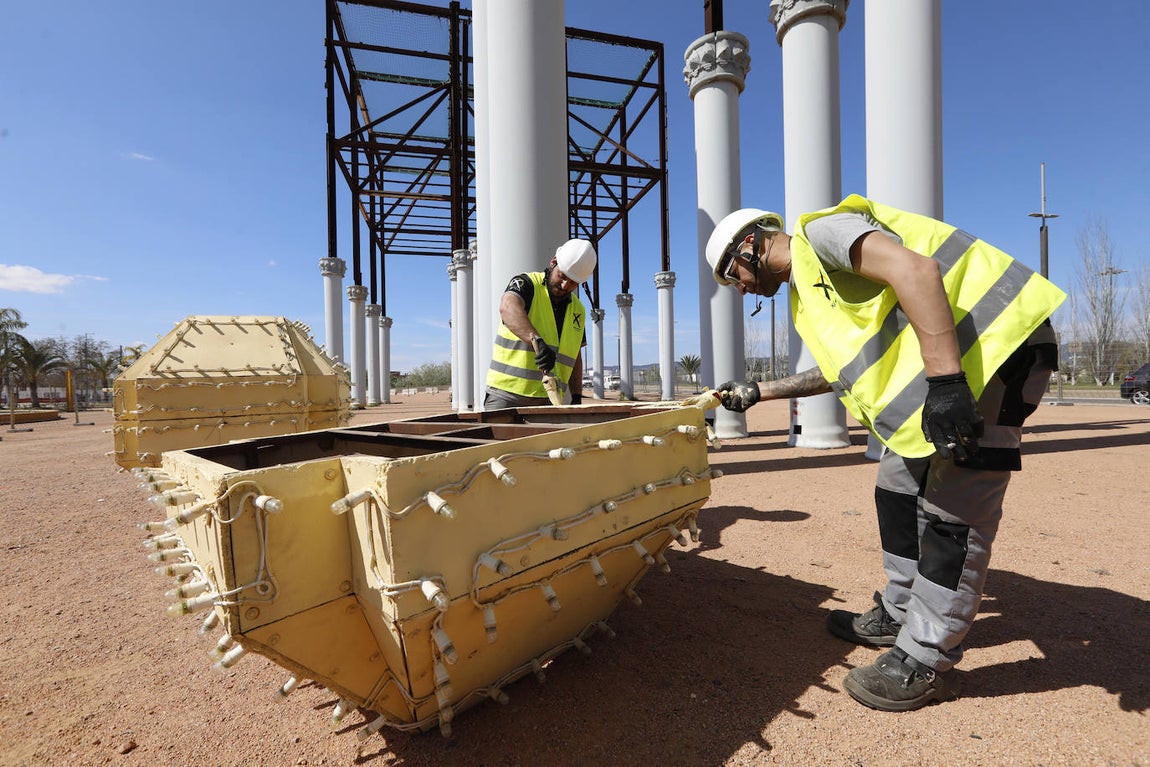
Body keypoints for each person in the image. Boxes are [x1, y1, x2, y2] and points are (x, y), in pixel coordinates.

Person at [707, 195, 1065, 712]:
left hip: (998, 352)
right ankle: (899, 612)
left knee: (954, 515)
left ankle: (925, 655)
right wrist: (761, 391)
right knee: (895, 485)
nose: (739, 289)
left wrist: (945, 383)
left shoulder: (822, 234)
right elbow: (845, 368)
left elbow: (916, 270)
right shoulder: (811, 287)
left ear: (749, 247)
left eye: (732, 277)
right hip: (961, 365)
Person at [484, 238, 597, 410]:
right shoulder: (527, 284)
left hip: (548, 398)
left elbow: (575, 357)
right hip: (507, 395)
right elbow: (508, 307)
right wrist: (537, 340)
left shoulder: (578, 310)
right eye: (562, 276)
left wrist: (576, 397)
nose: (565, 285)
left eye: (573, 282)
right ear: (553, 262)